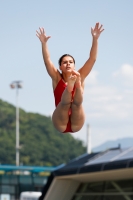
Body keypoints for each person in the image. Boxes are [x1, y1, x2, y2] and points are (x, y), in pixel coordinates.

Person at [36, 22, 104, 133]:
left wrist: (95, 39)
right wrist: (44, 44)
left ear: (74, 65)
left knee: (77, 104)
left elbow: (92, 59)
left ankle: (75, 85)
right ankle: (71, 86)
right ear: (60, 67)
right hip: (60, 122)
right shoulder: (56, 77)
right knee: (65, 103)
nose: (68, 64)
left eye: (70, 62)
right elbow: (47, 60)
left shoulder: (80, 75)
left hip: (76, 122)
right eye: (65, 62)